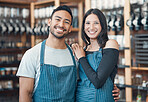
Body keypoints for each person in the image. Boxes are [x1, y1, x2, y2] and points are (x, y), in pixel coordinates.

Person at [16, 5, 119, 102]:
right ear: (49, 22)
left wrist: (110, 87)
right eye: (57, 19)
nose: (61, 24)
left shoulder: (75, 55)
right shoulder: (32, 55)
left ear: (70, 28)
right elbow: (26, 93)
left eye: (66, 22)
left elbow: (88, 81)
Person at [72, 8, 119, 102]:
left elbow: (98, 82)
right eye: (88, 23)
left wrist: (81, 58)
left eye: (96, 23)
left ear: (102, 25)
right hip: (80, 98)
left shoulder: (110, 44)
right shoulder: (82, 50)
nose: (91, 27)